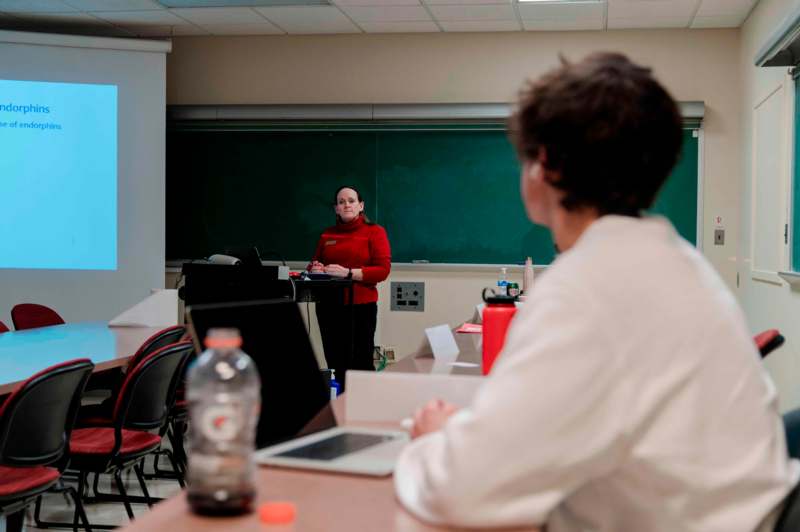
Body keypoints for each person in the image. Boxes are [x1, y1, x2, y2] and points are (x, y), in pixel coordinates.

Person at [394, 53, 799, 531]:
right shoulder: (677, 262)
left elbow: (462, 493)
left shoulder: (588, 288)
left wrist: (432, 441)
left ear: (544, 163)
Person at [309, 185, 391, 388]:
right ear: (336, 208)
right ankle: (339, 410)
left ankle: (364, 410)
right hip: (328, 307)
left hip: (360, 307)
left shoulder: (375, 232)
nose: (346, 205)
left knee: (360, 363)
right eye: (341, 202)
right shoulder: (327, 235)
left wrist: (348, 273)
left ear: (361, 205)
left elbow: (382, 270)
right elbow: (314, 262)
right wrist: (316, 268)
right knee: (336, 362)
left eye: (351, 201)